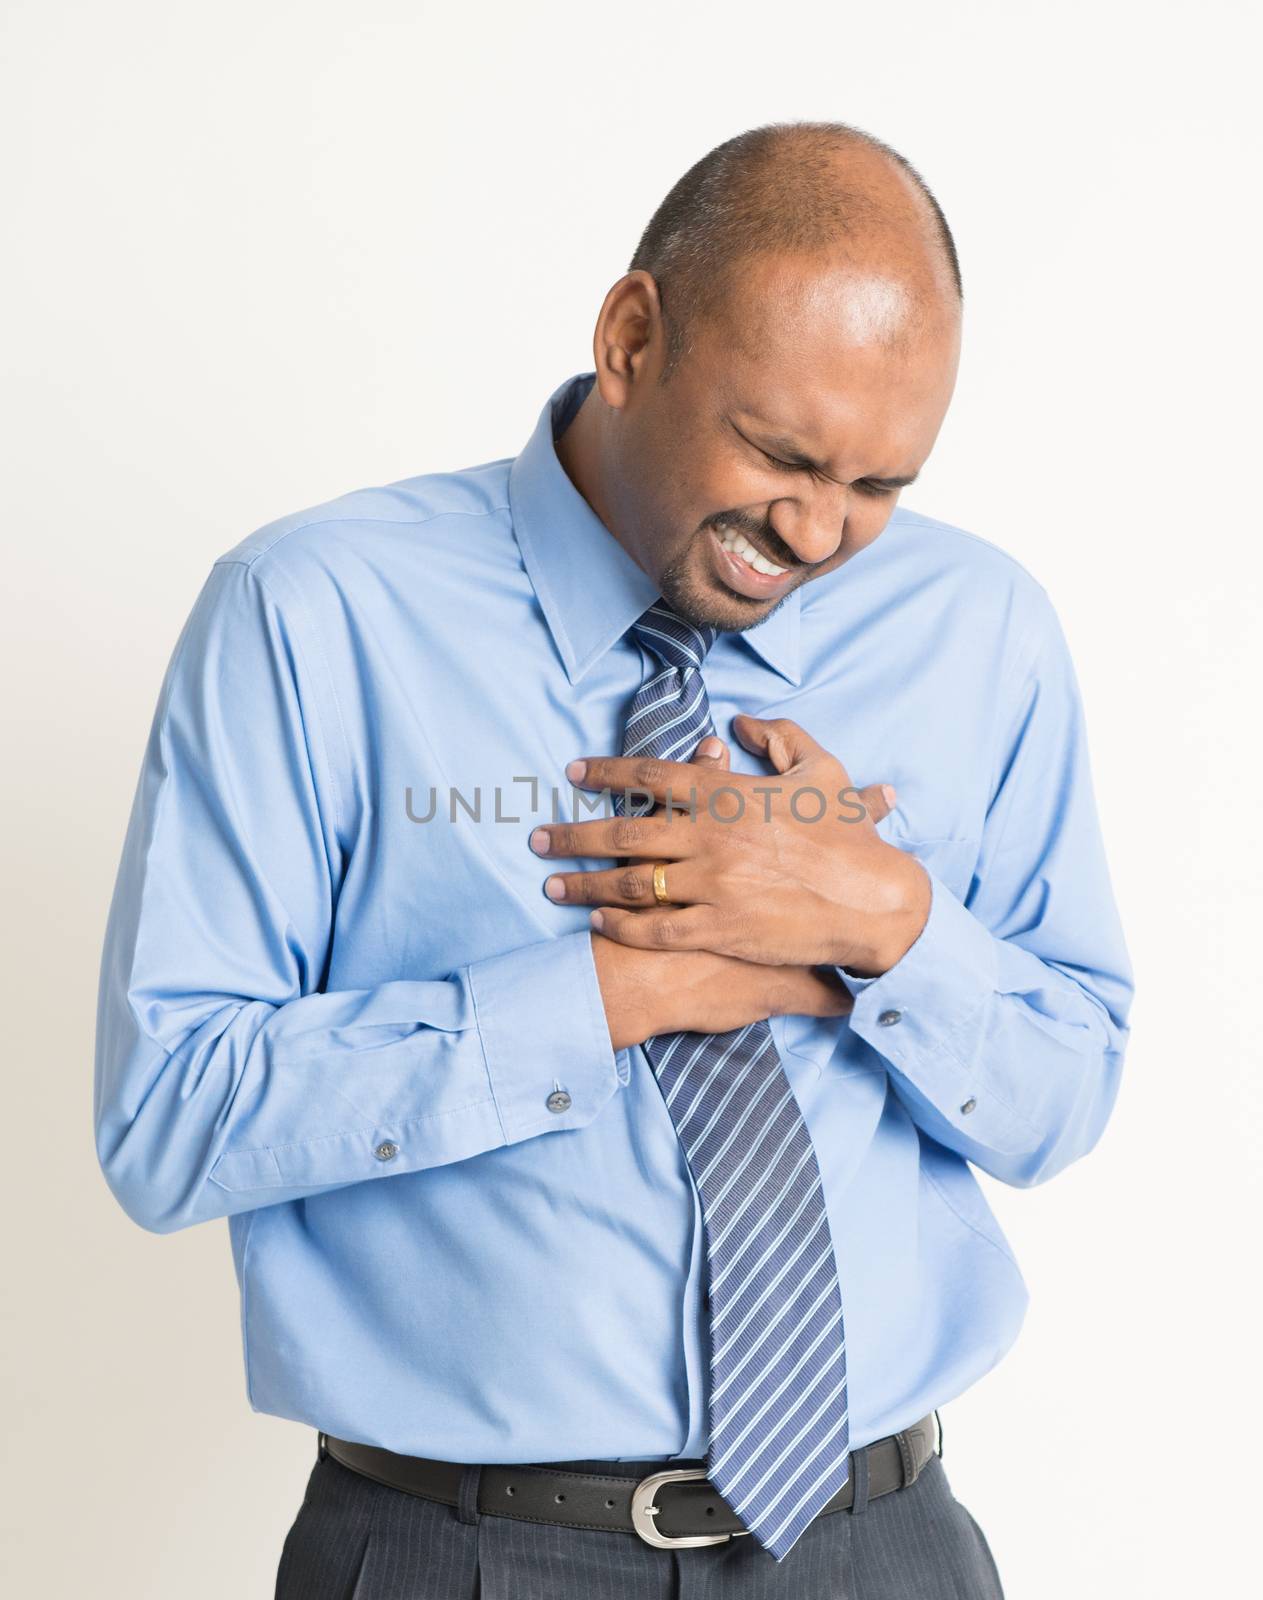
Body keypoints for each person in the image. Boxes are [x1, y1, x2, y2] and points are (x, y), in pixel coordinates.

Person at [94, 119, 1133, 1597]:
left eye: (881, 483)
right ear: (633, 336)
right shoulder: (312, 616)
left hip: (880, 1544)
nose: (822, 530)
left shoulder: (982, 630)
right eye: (779, 452)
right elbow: (169, 1118)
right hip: (462, 1553)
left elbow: (1061, 1095)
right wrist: (600, 998)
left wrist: (884, 922)